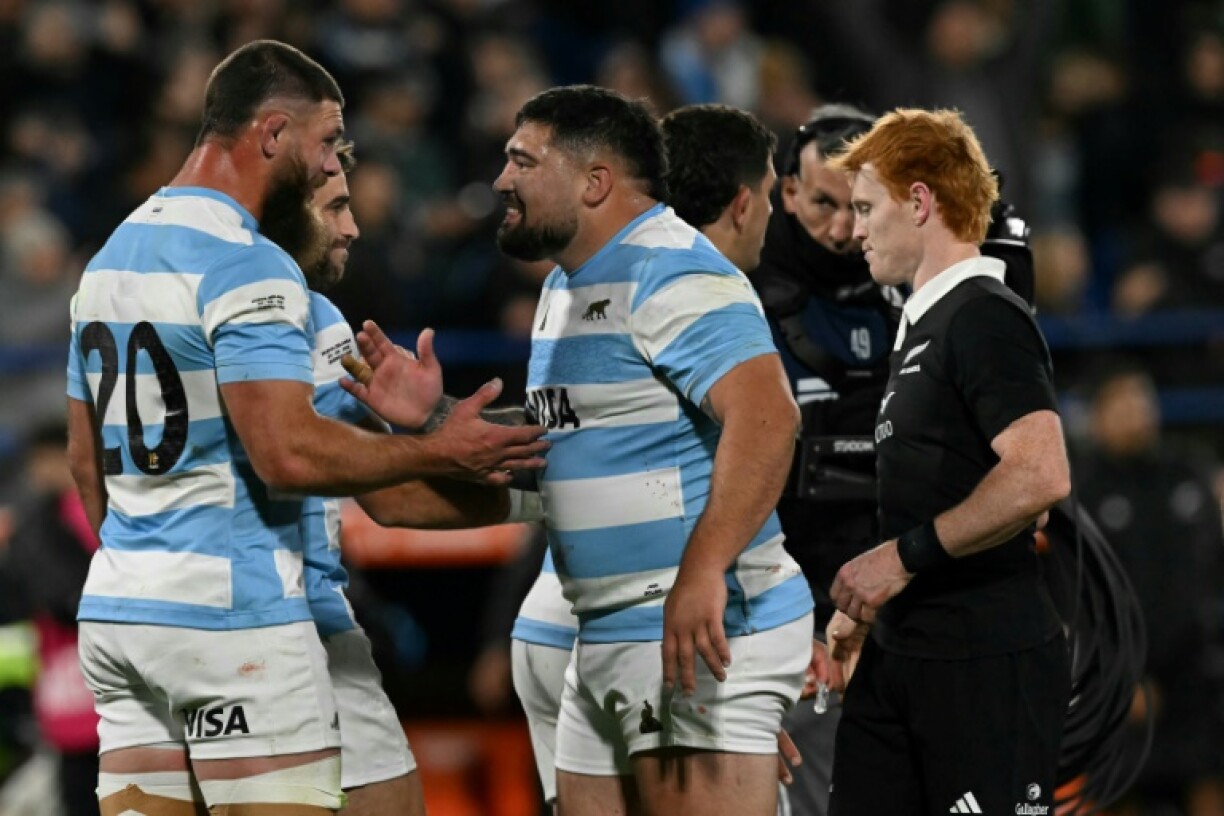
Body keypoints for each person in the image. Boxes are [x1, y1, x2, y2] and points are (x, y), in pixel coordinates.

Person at [65, 40, 546, 815]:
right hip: (243, 620)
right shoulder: (249, 267)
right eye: (326, 146)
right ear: (272, 133)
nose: (332, 169)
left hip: (123, 614)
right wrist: (439, 442)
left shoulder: (108, 261)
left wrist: (146, 569)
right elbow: (289, 453)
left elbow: (85, 465)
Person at [344, 85, 814, 816]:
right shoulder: (568, 283)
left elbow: (768, 417)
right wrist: (433, 416)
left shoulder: (673, 271)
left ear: (595, 182)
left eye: (522, 162)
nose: (502, 181)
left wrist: (704, 572)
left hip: (692, 630)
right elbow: (566, 442)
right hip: (605, 635)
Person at [823, 108, 1072, 816]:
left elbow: (1039, 474)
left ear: (922, 201)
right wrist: (875, 605)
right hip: (907, 652)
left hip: (984, 659)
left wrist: (895, 562)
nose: (855, 228)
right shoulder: (927, 323)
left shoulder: (983, 315)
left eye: (868, 208)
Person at [752, 104, 897, 816]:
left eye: (858, 207)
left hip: (899, 596)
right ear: (785, 193)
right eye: (822, 204)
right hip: (793, 611)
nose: (842, 230)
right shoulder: (738, 293)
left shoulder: (912, 287)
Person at [1075, 366, 1224, 815]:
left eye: (1142, 398)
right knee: (1119, 792)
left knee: (1208, 781)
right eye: (1121, 402)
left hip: (1198, 670)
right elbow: (1081, 598)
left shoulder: (1189, 472)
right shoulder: (1084, 492)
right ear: (1098, 417)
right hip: (1126, 676)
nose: (1136, 411)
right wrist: (1121, 677)